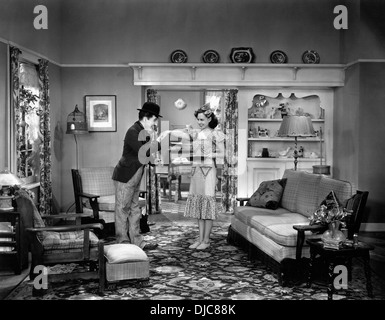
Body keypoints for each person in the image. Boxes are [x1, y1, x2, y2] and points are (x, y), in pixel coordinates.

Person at [112, 102, 169, 250]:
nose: (155, 123)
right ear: (146, 118)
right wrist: (159, 140)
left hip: (136, 174)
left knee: (135, 208)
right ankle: (122, 242)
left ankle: (138, 242)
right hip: (126, 175)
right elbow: (143, 152)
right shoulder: (134, 131)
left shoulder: (143, 132)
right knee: (122, 208)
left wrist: (154, 160)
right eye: (154, 120)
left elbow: (147, 155)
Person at [183, 103, 225, 250]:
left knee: (207, 205)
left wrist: (208, 154)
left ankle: (206, 240)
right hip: (196, 170)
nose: (199, 122)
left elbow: (222, 153)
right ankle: (200, 238)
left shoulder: (215, 134)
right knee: (199, 205)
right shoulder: (196, 134)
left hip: (208, 171)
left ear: (208, 119)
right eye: (198, 120)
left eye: (202, 120)